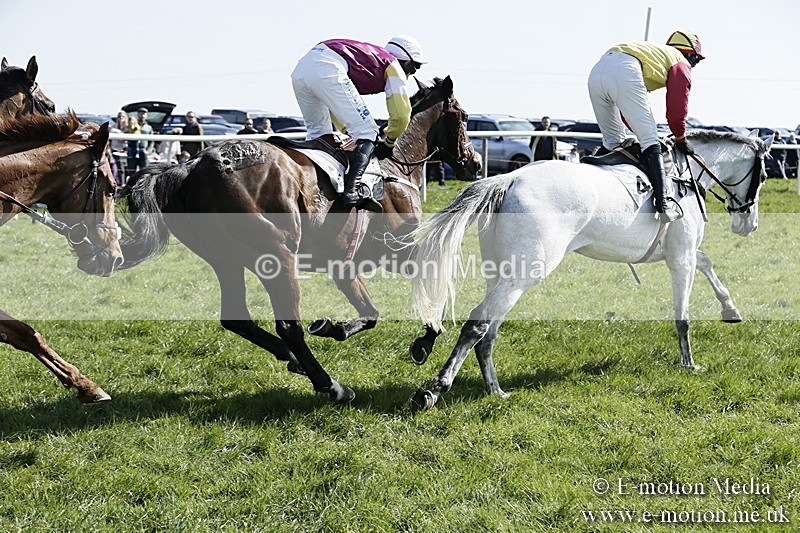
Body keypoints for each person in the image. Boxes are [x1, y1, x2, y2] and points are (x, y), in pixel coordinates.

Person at [291, 35, 425, 212]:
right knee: (368, 131)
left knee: (320, 135)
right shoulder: (393, 65)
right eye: (415, 67)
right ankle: (352, 191)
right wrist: (389, 141)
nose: (412, 73)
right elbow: (401, 116)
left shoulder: (368, 59)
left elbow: (336, 105)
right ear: (406, 61)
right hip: (327, 66)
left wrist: (350, 133)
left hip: (302, 69)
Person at [584, 31, 705, 222]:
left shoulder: (656, 55)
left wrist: (641, 130)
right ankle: (663, 205)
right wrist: (681, 138)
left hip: (597, 70)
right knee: (651, 142)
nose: (693, 67)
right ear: (691, 56)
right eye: (696, 62)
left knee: (613, 142)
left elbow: (627, 112)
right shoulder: (680, 62)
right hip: (625, 68)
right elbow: (676, 112)